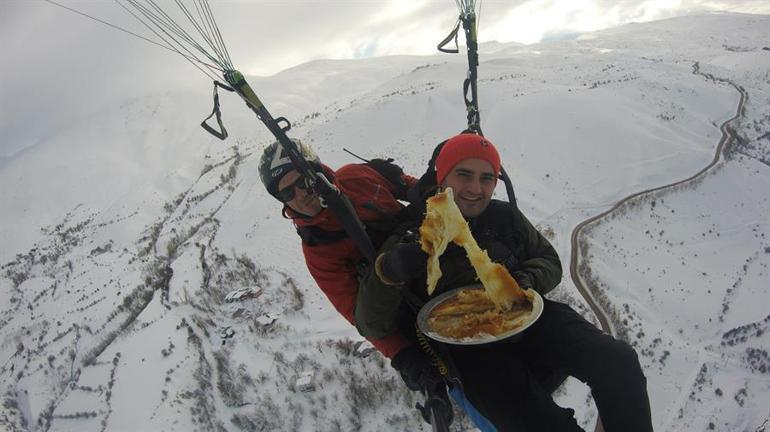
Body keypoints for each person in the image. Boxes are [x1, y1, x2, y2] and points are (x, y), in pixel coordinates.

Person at [355, 132, 654, 432]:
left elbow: (549, 260)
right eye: (464, 175)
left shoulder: (504, 216)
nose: (475, 188)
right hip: (468, 349)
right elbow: (373, 324)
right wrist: (390, 272)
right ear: (442, 177)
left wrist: (524, 279)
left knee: (619, 363)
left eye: (487, 178)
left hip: (526, 316)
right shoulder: (412, 233)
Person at [258, 138, 418, 359]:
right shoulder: (318, 250)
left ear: (315, 171)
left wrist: (423, 189)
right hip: (409, 305)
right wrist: (404, 357)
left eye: (303, 181)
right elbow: (361, 316)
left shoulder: (356, 177)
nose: (300, 195)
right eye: (287, 194)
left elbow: (412, 188)